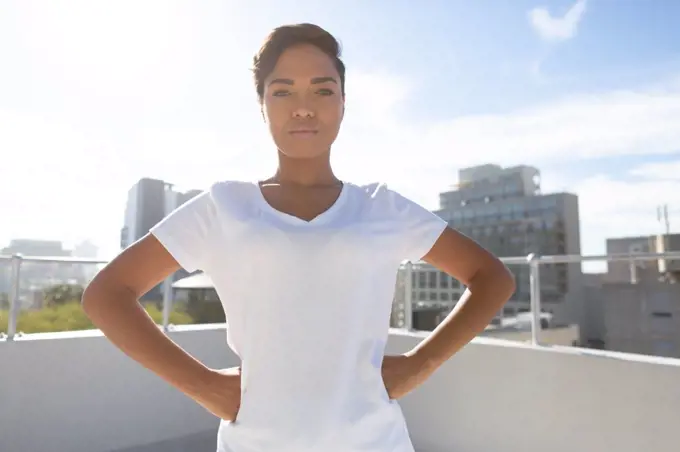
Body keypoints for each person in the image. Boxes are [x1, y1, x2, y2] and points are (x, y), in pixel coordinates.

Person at [82, 23, 515, 452]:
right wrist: (203, 386)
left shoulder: (383, 208)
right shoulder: (223, 207)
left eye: (323, 90)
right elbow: (107, 295)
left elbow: (491, 277)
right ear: (262, 105)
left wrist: (420, 364)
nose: (303, 108)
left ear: (343, 104)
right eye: (283, 91)